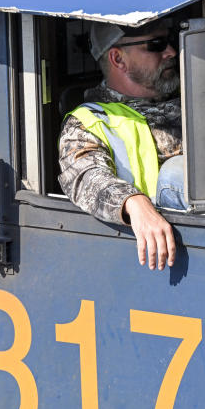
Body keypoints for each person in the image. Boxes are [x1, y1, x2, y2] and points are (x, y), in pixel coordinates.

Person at [58, 20, 186, 271]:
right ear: (118, 59)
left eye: (168, 40)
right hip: (162, 257)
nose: (170, 51)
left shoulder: (199, 95)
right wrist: (133, 202)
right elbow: (85, 177)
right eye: (156, 44)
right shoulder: (89, 122)